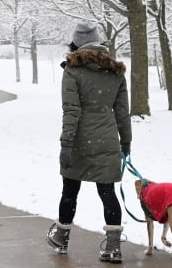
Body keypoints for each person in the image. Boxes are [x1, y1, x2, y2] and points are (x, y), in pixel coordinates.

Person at [46, 21, 131, 263]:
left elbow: (71, 111)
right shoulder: (115, 72)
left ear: (76, 44)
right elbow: (122, 113)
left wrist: (66, 144)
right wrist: (126, 143)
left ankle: (62, 236)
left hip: (80, 141)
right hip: (106, 140)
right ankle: (113, 246)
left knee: (70, 191)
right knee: (107, 192)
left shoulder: (72, 70)